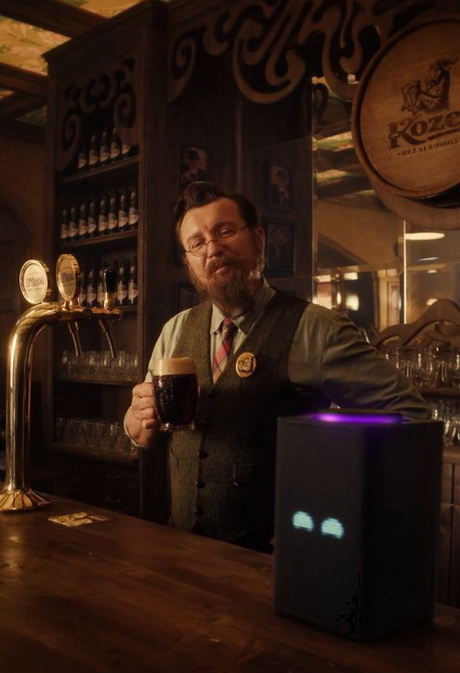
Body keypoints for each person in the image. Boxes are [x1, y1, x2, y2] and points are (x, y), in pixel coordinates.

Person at [124, 181, 431, 553]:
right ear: (189, 262)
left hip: (274, 559)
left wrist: (329, 506)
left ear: (258, 239)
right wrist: (138, 419)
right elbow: (142, 434)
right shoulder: (175, 329)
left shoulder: (316, 328)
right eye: (197, 243)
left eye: (225, 231)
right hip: (184, 548)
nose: (213, 249)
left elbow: (409, 417)